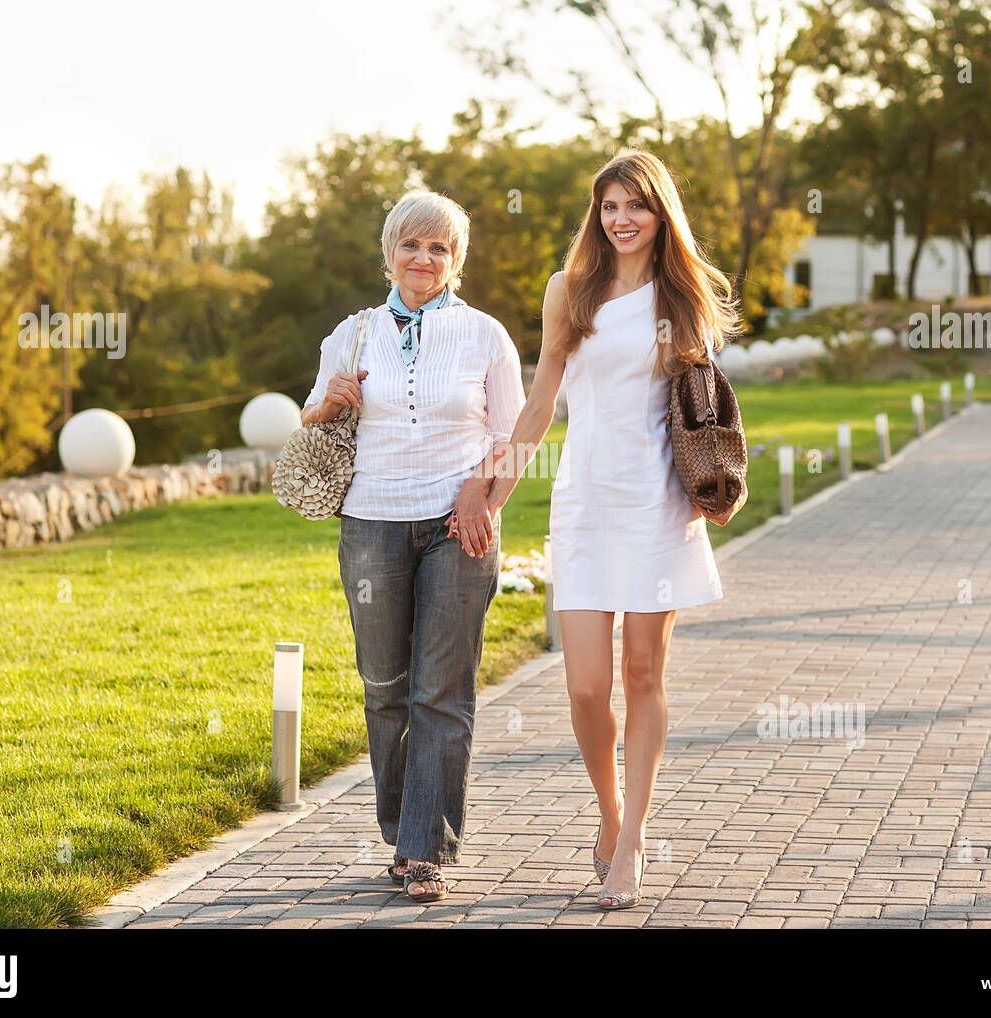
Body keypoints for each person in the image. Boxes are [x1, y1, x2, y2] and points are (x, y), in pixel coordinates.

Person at [450, 150, 739, 909]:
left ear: (658, 213)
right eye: (609, 206)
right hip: (584, 500)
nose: (621, 219)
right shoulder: (568, 290)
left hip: (656, 503)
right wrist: (493, 488)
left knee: (644, 674)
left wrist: (715, 480)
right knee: (583, 687)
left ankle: (632, 841)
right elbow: (542, 402)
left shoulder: (682, 295)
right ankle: (610, 815)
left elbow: (701, 404)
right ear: (596, 213)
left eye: (635, 206)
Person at [301, 191, 525, 903]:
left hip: (456, 528)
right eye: (412, 246)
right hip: (371, 522)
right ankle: (402, 825)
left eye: (440, 248)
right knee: (385, 685)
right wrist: (331, 399)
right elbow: (311, 416)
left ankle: (422, 846)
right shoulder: (354, 331)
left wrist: (482, 497)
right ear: (390, 252)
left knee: (442, 688)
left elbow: (515, 437)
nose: (424, 259)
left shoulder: (485, 334)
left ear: (455, 260)